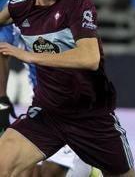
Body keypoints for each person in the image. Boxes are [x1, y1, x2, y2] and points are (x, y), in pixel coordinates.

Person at [0, 0, 135, 176]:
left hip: (91, 117)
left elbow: (89, 59)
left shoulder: (77, 2)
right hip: (47, 113)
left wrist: (31, 56)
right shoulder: (19, 4)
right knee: (3, 164)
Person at [1, 25, 93, 177]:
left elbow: (91, 57)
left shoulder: (71, 9)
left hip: (73, 107)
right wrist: (2, 100)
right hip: (41, 106)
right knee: (19, 170)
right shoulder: (15, 8)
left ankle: (91, 169)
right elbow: (2, 47)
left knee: (50, 172)